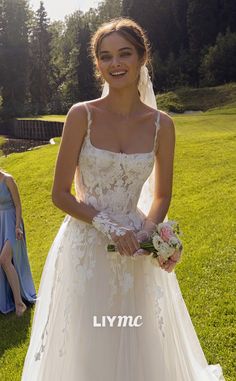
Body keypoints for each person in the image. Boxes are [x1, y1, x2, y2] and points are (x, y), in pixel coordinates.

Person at [21, 18, 225, 380]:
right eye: (105, 56)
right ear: (97, 64)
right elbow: (60, 194)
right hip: (85, 246)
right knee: (89, 339)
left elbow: (162, 194)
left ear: (142, 57)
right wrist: (107, 225)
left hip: (136, 249)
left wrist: (148, 231)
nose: (115, 64)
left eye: (124, 54)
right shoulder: (80, 115)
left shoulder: (163, 125)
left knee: (137, 337)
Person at [0, 170, 36, 316]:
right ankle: (10, 300)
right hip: (1, 225)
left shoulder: (8, 179)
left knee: (4, 259)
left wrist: (17, 227)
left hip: (13, 224)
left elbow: (18, 205)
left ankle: (20, 304)